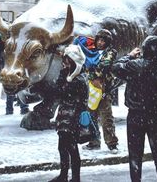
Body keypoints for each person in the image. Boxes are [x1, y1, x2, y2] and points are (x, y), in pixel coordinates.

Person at [112, 35, 157, 182]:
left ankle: (136, 179)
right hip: (156, 114)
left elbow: (115, 68)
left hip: (136, 115)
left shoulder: (135, 65)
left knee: (135, 154)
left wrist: (129, 56)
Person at [49, 44, 88, 182]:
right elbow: (59, 88)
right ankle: (64, 175)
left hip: (73, 118)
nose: (64, 62)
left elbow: (63, 91)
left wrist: (65, 78)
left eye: (67, 59)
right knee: (62, 146)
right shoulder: (69, 75)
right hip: (64, 115)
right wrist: (64, 74)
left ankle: (75, 178)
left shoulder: (79, 79)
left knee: (72, 148)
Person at [83, 30, 119, 153]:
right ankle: (93, 141)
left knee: (106, 117)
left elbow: (104, 65)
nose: (100, 43)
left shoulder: (111, 52)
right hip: (91, 90)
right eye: (98, 40)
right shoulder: (91, 51)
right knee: (91, 117)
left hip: (104, 90)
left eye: (103, 41)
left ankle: (112, 143)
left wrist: (91, 72)